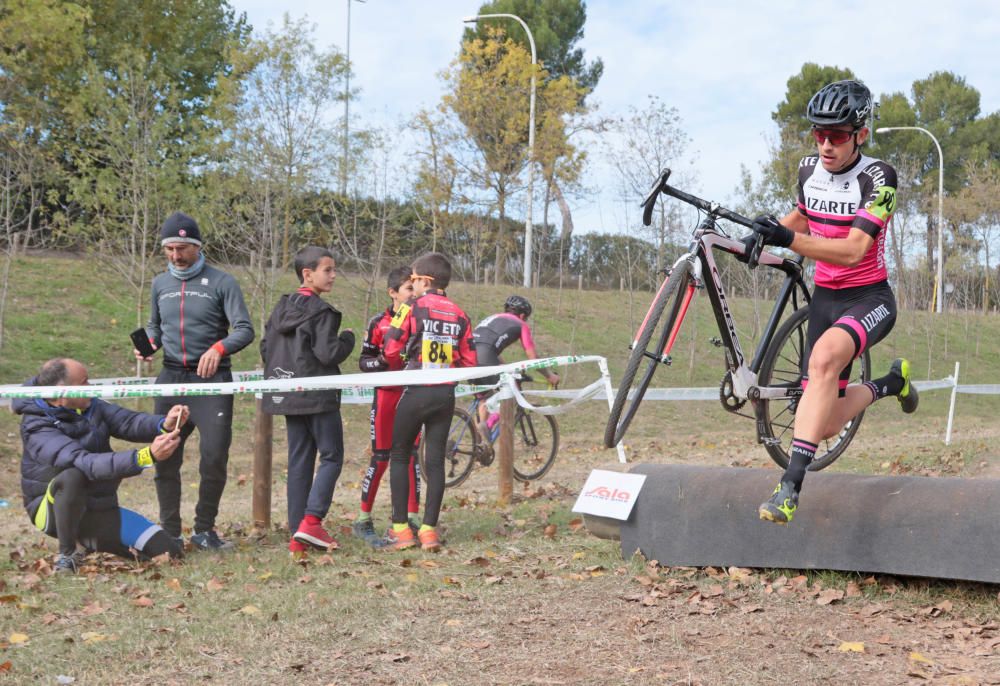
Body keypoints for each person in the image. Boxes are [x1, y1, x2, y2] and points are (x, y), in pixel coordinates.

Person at [752, 80, 918, 525]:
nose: (826, 145)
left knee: (824, 360)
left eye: (838, 135)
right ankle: (889, 384)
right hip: (825, 299)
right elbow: (800, 217)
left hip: (869, 298)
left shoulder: (880, 178)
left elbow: (851, 250)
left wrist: (790, 239)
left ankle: (789, 487)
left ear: (861, 133)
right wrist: (760, 236)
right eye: (818, 134)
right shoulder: (809, 169)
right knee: (824, 425)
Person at [135, 212, 255, 551]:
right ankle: (170, 532)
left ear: (198, 247)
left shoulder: (222, 282)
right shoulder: (160, 284)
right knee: (166, 455)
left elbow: (244, 329)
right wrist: (148, 345)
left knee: (214, 456)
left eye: (183, 248)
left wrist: (219, 348)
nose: (176, 256)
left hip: (212, 381)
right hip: (171, 377)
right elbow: (155, 327)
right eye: (170, 249)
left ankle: (205, 530)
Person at [16, 358, 189, 573]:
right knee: (72, 476)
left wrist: (163, 423)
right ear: (62, 392)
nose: (91, 388)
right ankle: (67, 554)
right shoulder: (36, 426)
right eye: (84, 383)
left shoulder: (90, 404)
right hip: (50, 510)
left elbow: (127, 422)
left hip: (98, 507)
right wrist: (146, 456)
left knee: (170, 552)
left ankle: (88, 541)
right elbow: (86, 463)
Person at [260, 247, 355, 555]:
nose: (333, 275)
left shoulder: (279, 309)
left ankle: (296, 534)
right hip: (317, 395)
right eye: (328, 270)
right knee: (332, 456)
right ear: (307, 274)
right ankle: (311, 522)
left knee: (299, 460)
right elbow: (329, 353)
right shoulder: (321, 311)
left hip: (286, 393)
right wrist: (348, 341)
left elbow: (266, 348)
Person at [381, 252, 477, 551]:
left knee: (400, 455)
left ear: (425, 280)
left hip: (416, 390)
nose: (412, 284)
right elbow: (471, 361)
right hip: (445, 394)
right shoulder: (461, 314)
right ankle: (428, 531)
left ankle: (401, 530)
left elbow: (390, 349)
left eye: (413, 279)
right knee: (434, 460)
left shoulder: (412, 307)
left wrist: (409, 354)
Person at [354, 266, 421, 547]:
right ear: (393, 293)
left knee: (410, 458)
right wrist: (381, 362)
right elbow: (363, 361)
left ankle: (412, 518)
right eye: (409, 288)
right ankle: (363, 519)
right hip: (385, 397)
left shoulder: (420, 318)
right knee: (381, 458)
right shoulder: (378, 322)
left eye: (416, 288)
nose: (414, 293)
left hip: (412, 396)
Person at [471, 295, 560, 438]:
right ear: (523, 315)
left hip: (469, 356)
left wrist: (505, 366)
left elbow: (487, 346)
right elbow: (533, 359)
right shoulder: (520, 324)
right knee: (512, 395)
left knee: (485, 398)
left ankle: (480, 444)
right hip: (485, 356)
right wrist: (550, 376)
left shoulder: (492, 319)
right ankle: (487, 426)